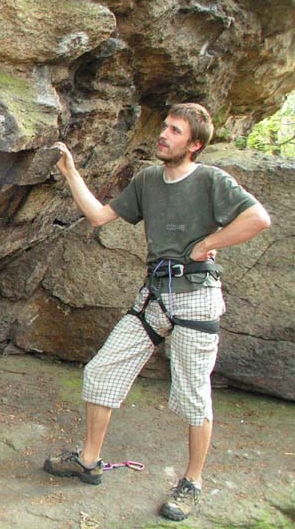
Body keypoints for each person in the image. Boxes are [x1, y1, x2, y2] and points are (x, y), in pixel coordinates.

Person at [43, 103, 271, 521]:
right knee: (102, 370)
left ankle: (192, 482)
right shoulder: (148, 179)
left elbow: (258, 218)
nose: (163, 134)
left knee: (192, 393)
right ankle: (89, 460)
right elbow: (98, 216)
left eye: (175, 131)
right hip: (155, 294)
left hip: (197, 295)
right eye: (165, 126)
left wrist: (205, 245)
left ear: (195, 144)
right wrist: (71, 171)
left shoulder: (211, 180)